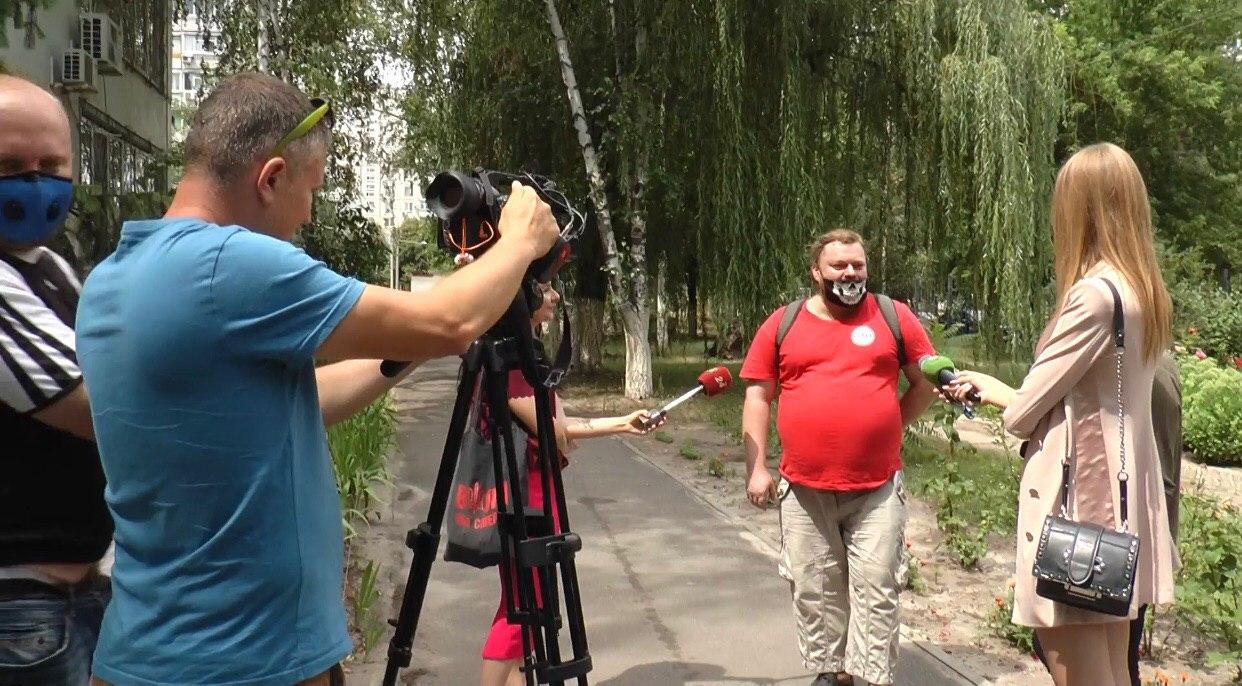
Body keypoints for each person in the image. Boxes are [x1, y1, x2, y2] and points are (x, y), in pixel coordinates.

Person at [74, 72, 560, 686]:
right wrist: (516, 243)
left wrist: (405, 345)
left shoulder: (114, 278)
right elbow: (450, 321)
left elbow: (300, 401)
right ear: (270, 177)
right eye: (310, 192)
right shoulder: (228, 264)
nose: (306, 217)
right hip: (250, 663)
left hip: (140, 656)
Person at [942, 143, 1178, 686]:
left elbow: (1026, 408)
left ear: (1079, 209)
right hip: (1122, 507)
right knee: (1117, 665)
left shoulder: (1093, 297)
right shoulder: (1141, 290)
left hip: (1084, 506)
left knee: (1076, 663)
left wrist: (994, 389)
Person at [738, 229, 938, 686]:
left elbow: (924, 382)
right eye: (838, 266)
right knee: (816, 589)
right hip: (804, 490)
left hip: (877, 490)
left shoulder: (894, 316)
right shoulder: (783, 323)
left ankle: (869, 678)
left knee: (876, 589)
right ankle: (833, 675)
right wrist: (756, 468)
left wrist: (889, 424)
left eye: (858, 265)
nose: (850, 273)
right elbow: (757, 397)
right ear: (816, 272)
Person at [480, 282, 662, 686]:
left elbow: (560, 428)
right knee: (520, 607)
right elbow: (557, 432)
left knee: (531, 606)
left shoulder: (530, 357)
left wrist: (623, 423)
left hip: (537, 492)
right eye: (545, 289)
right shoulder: (510, 362)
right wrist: (565, 429)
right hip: (521, 497)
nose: (556, 298)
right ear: (521, 298)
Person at [0, 74, 112, 686]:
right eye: (10, 165)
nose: (34, 183)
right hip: (19, 611)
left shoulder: (49, 268)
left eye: (50, 165)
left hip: (68, 598)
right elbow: (101, 410)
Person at [1029, 352, 1182, 685]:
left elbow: (1026, 415)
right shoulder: (1156, 361)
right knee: (1118, 662)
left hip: (1102, 545)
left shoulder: (1125, 362)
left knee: (1098, 661)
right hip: (1128, 540)